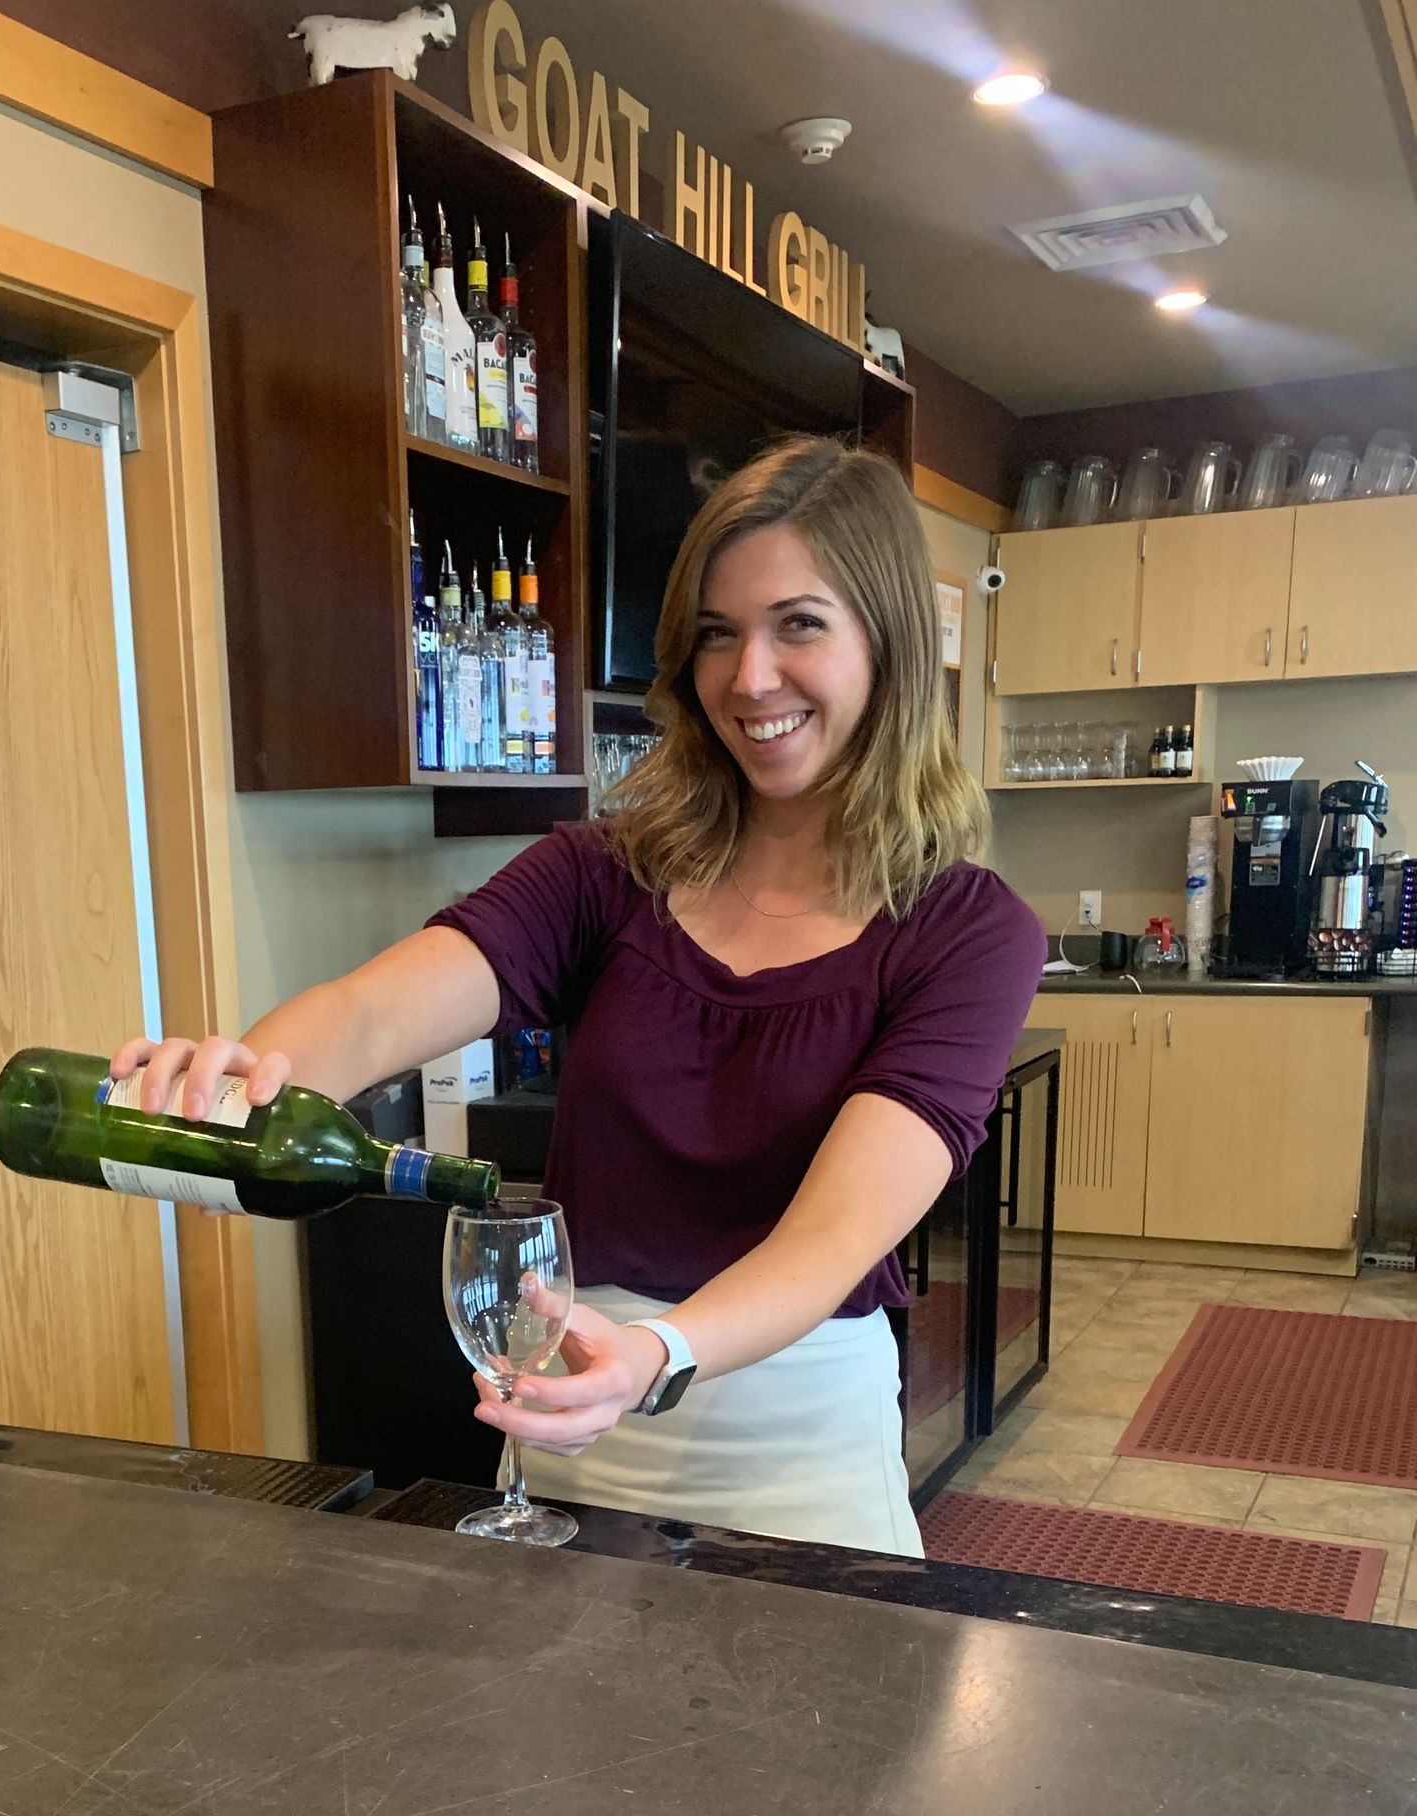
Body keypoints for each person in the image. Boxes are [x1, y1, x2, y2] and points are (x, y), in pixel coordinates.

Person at [114, 437, 1044, 1555]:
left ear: (885, 643)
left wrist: (657, 1354)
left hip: (800, 1456)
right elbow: (367, 1012)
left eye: (799, 623)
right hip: (567, 1434)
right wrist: (246, 1077)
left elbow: (834, 1236)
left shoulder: (967, 930)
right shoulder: (605, 873)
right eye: (716, 633)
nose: (750, 677)